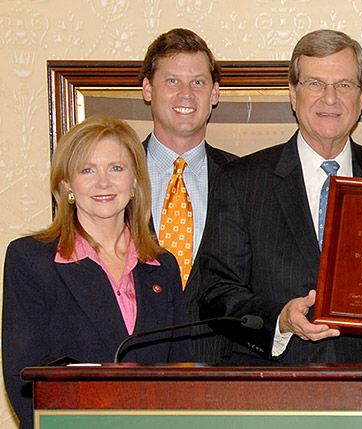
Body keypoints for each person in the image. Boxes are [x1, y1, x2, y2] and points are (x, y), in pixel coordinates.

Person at [198, 29, 362, 365]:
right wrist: (279, 321)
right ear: (293, 95)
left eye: (343, 85)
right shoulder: (242, 181)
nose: (329, 98)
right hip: (269, 395)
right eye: (315, 84)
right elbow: (216, 292)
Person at [2, 116, 193, 429]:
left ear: (135, 181)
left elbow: (182, 375)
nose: (103, 183)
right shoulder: (31, 259)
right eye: (87, 170)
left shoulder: (162, 266)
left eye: (116, 168)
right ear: (66, 185)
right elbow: (24, 380)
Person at [139, 28, 237, 361]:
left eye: (198, 82)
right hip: (130, 374)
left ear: (215, 93)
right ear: (147, 89)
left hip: (223, 377)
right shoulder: (113, 179)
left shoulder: (246, 181)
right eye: (172, 81)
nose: (186, 94)